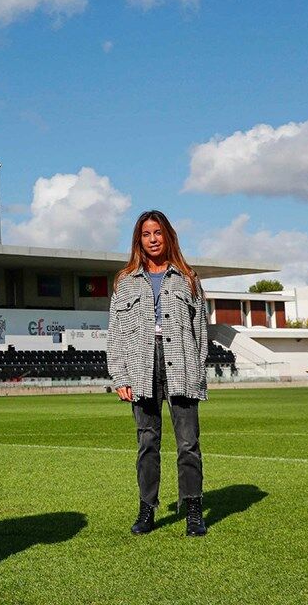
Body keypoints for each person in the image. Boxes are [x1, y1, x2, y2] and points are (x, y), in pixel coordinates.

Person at [105, 210, 208, 537]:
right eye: (146, 234)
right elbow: (116, 332)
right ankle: (147, 510)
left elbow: (200, 331)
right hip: (141, 366)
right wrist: (120, 377)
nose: (152, 239)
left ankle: (193, 510)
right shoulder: (124, 281)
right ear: (139, 240)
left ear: (168, 236)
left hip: (181, 364)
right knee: (147, 443)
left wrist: (197, 372)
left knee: (188, 444)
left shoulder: (188, 277)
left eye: (158, 233)